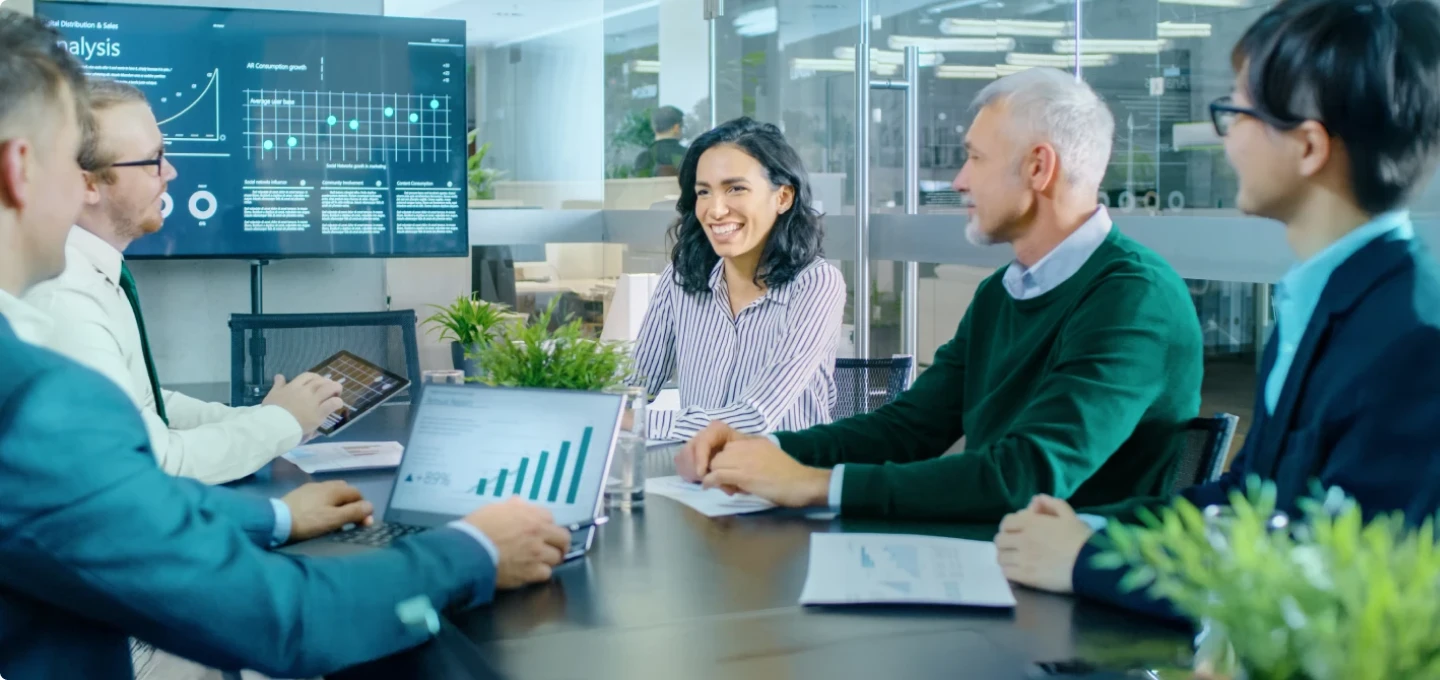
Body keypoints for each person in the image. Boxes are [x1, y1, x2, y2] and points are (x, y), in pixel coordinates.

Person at [0, 10, 570, 679]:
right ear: (21, 169)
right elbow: (286, 621)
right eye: (73, 159)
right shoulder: (31, 402)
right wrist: (473, 550)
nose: (172, 173)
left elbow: (113, 504)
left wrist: (271, 520)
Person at [995, 0, 1440, 623]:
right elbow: (1252, 502)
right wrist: (1087, 527)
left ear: (1309, 147)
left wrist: (1087, 559)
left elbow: (1348, 596)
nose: (1223, 138)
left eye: (1236, 114)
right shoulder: (1323, 302)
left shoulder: (1413, 336)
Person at [677, 69, 1204, 521]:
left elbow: (1025, 476)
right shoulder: (1004, 292)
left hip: (1076, 597)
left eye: (975, 158)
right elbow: (909, 429)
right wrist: (768, 447)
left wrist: (818, 485)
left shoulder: (1134, 297)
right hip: (992, 561)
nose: (959, 180)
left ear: (1039, 167)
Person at [23, 79, 341, 485]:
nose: (170, 171)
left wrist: (266, 418)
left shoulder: (90, 271)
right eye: (152, 160)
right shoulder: (64, 298)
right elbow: (156, 463)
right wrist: (281, 423)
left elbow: (147, 406)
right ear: (87, 184)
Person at [631, 117, 845, 442]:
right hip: (699, 479)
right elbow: (634, 385)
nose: (715, 210)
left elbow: (754, 417)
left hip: (784, 483)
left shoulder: (816, 284)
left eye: (736, 189)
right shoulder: (681, 277)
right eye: (704, 192)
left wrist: (635, 423)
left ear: (783, 197)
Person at [634, 105, 687, 177]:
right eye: (682, 127)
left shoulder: (643, 158)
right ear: (676, 128)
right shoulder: (687, 155)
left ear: (654, 128)